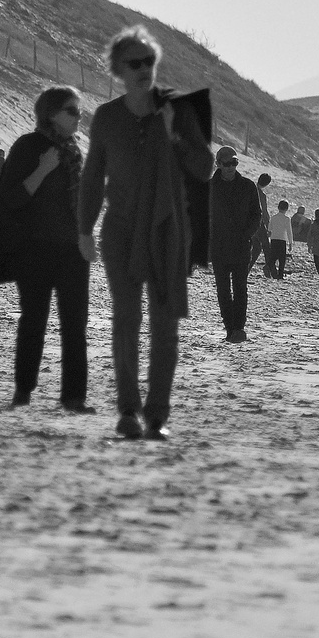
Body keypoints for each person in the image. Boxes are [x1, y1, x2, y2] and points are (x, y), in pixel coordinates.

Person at [79, 25, 214, 441]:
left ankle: (157, 414)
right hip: (119, 230)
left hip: (168, 231)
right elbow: (92, 176)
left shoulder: (177, 110)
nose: (143, 70)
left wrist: (175, 133)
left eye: (149, 61)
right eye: (134, 63)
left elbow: (204, 169)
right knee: (126, 319)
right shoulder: (107, 117)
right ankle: (127, 410)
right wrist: (84, 229)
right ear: (118, 69)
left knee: (164, 324)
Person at [0, 87, 91, 412]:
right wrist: (42, 170)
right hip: (34, 249)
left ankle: (74, 398)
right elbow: (11, 198)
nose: (78, 117)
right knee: (34, 321)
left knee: (76, 324)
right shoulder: (28, 146)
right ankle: (23, 392)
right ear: (51, 114)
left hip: (72, 251)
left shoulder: (74, 151)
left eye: (80, 112)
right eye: (72, 111)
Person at [208, 146, 262, 342]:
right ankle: (229, 328)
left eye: (234, 163)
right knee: (223, 290)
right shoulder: (210, 187)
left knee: (240, 288)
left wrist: (246, 234)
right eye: (227, 163)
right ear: (219, 164)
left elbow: (257, 215)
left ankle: (239, 328)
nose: (231, 167)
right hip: (219, 247)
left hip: (240, 246)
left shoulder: (248, 186)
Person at [251, 173, 272, 275]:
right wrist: (268, 226)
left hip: (249, 223)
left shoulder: (250, 190)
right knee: (266, 246)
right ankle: (269, 268)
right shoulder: (262, 195)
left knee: (256, 247)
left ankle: (247, 268)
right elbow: (264, 212)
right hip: (259, 223)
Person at [267, 200, 294, 279]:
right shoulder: (287, 219)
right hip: (282, 240)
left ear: (278, 207)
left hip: (274, 239)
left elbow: (269, 229)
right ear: (286, 209)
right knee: (282, 259)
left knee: (273, 257)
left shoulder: (273, 217)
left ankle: (270, 269)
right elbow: (289, 232)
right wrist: (290, 243)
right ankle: (280, 274)